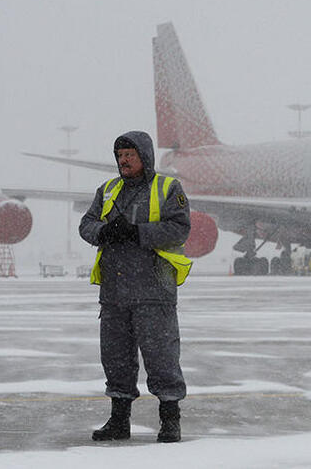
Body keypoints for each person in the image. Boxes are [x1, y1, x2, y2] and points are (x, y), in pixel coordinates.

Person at [79, 130, 192, 443]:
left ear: (145, 156)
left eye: (129, 154)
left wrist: (137, 233)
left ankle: (170, 421)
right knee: (115, 358)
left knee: (161, 357)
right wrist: (104, 232)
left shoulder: (168, 187)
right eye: (120, 155)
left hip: (154, 290)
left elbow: (180, 228)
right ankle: (119, 420)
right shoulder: (107, 190)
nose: (123, 160)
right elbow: (86, 224)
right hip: (114, 293)